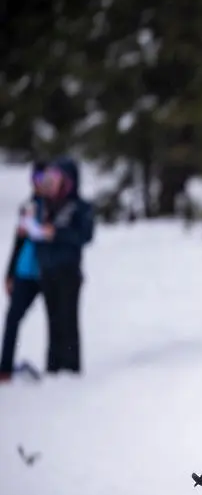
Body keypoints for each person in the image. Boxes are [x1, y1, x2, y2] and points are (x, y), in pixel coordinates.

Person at [31, 157, 94, 375]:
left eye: (57, 178)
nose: (52, 182)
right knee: (52, 320)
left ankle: (71, 366)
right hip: (47, 270)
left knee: (68, 319)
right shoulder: (45, 205)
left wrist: (57, 234)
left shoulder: (80, 207)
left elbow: (85, 236)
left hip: (68, 271)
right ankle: (53, 365)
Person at [1, 162, 47, 382]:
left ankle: (57, 369)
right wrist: (9, 273)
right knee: (12, 319)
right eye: (36, 178)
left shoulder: (57, 205)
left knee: (55, 321)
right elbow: (18, 241)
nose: (39, 183)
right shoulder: (28, 205)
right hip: (24, 271)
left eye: (43, 178)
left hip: (47, 272)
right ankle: (5, 368)